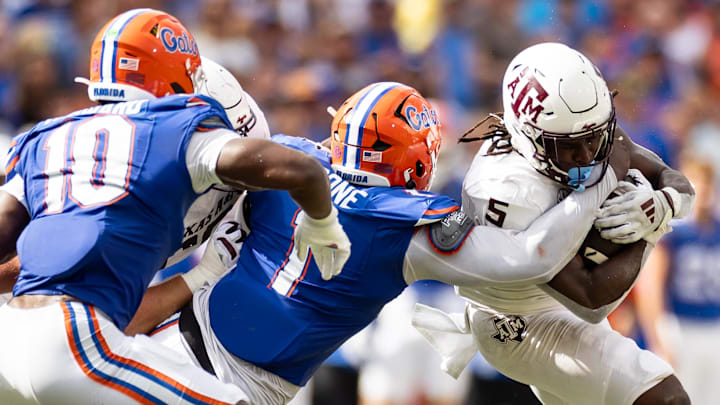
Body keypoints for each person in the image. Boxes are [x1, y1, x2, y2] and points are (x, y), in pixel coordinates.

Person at [128, 81, 628, 405]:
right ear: (416, 160)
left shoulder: (291, 158)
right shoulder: (408, 227)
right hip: (234, 385)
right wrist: (599, 183)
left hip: (167, 338)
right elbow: (528, 259)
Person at [0, 8, 351, 405]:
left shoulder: (45, 135)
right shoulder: (176, 127)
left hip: (10, 340)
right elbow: (296, 168)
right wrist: (322, 223)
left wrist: (200, 273)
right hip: (72, 341)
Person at [413, 42, 695, 405]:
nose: (588, 155)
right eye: (570, 146)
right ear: (527, 136)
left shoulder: (579, 128)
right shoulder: (504, 190)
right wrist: (650, 231)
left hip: (555, 305)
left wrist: (667, 201)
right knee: (665, 398)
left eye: (593, 138)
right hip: (517, 323)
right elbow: (591, 301)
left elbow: (671, 178)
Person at [634, 156, 720, 405]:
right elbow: (650, 288)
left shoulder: (716, 229)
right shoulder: (673, 232)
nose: (703, 192)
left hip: (714, 325)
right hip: (681, 325)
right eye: (697, 185)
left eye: (707, 184)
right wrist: (659, 333)